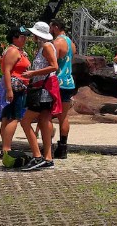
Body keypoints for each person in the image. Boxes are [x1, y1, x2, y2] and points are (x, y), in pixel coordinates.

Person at [19, 21, 59, 171]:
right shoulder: (46, 46)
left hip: (43, 89)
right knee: (44, 120)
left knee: (25, 121)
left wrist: (32, 73)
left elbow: (54, 66)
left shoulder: (47, 46)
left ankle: (37, 156)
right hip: (44, 88)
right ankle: (48, 158)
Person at [0, 25, 31, 165]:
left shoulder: (19, 51)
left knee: (8, 118)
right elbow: (7, 70)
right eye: (22, 36)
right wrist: (9, 90)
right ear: (14, 38)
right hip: (15, 87)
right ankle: (7, 148)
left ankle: (5, 147)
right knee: (14, 118)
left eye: (25, 37)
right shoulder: (13, 51)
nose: (25, 39)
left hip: (18, 86)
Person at [49, 19, 75, 160]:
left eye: (51, 27)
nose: (50, 30)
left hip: (56, 82)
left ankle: (48, 148)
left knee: (47, 115)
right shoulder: (71, 43)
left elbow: (52, 63)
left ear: (56, 27)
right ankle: (63, 147)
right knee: (63, 117)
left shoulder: (57, 43)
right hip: (68, 82)